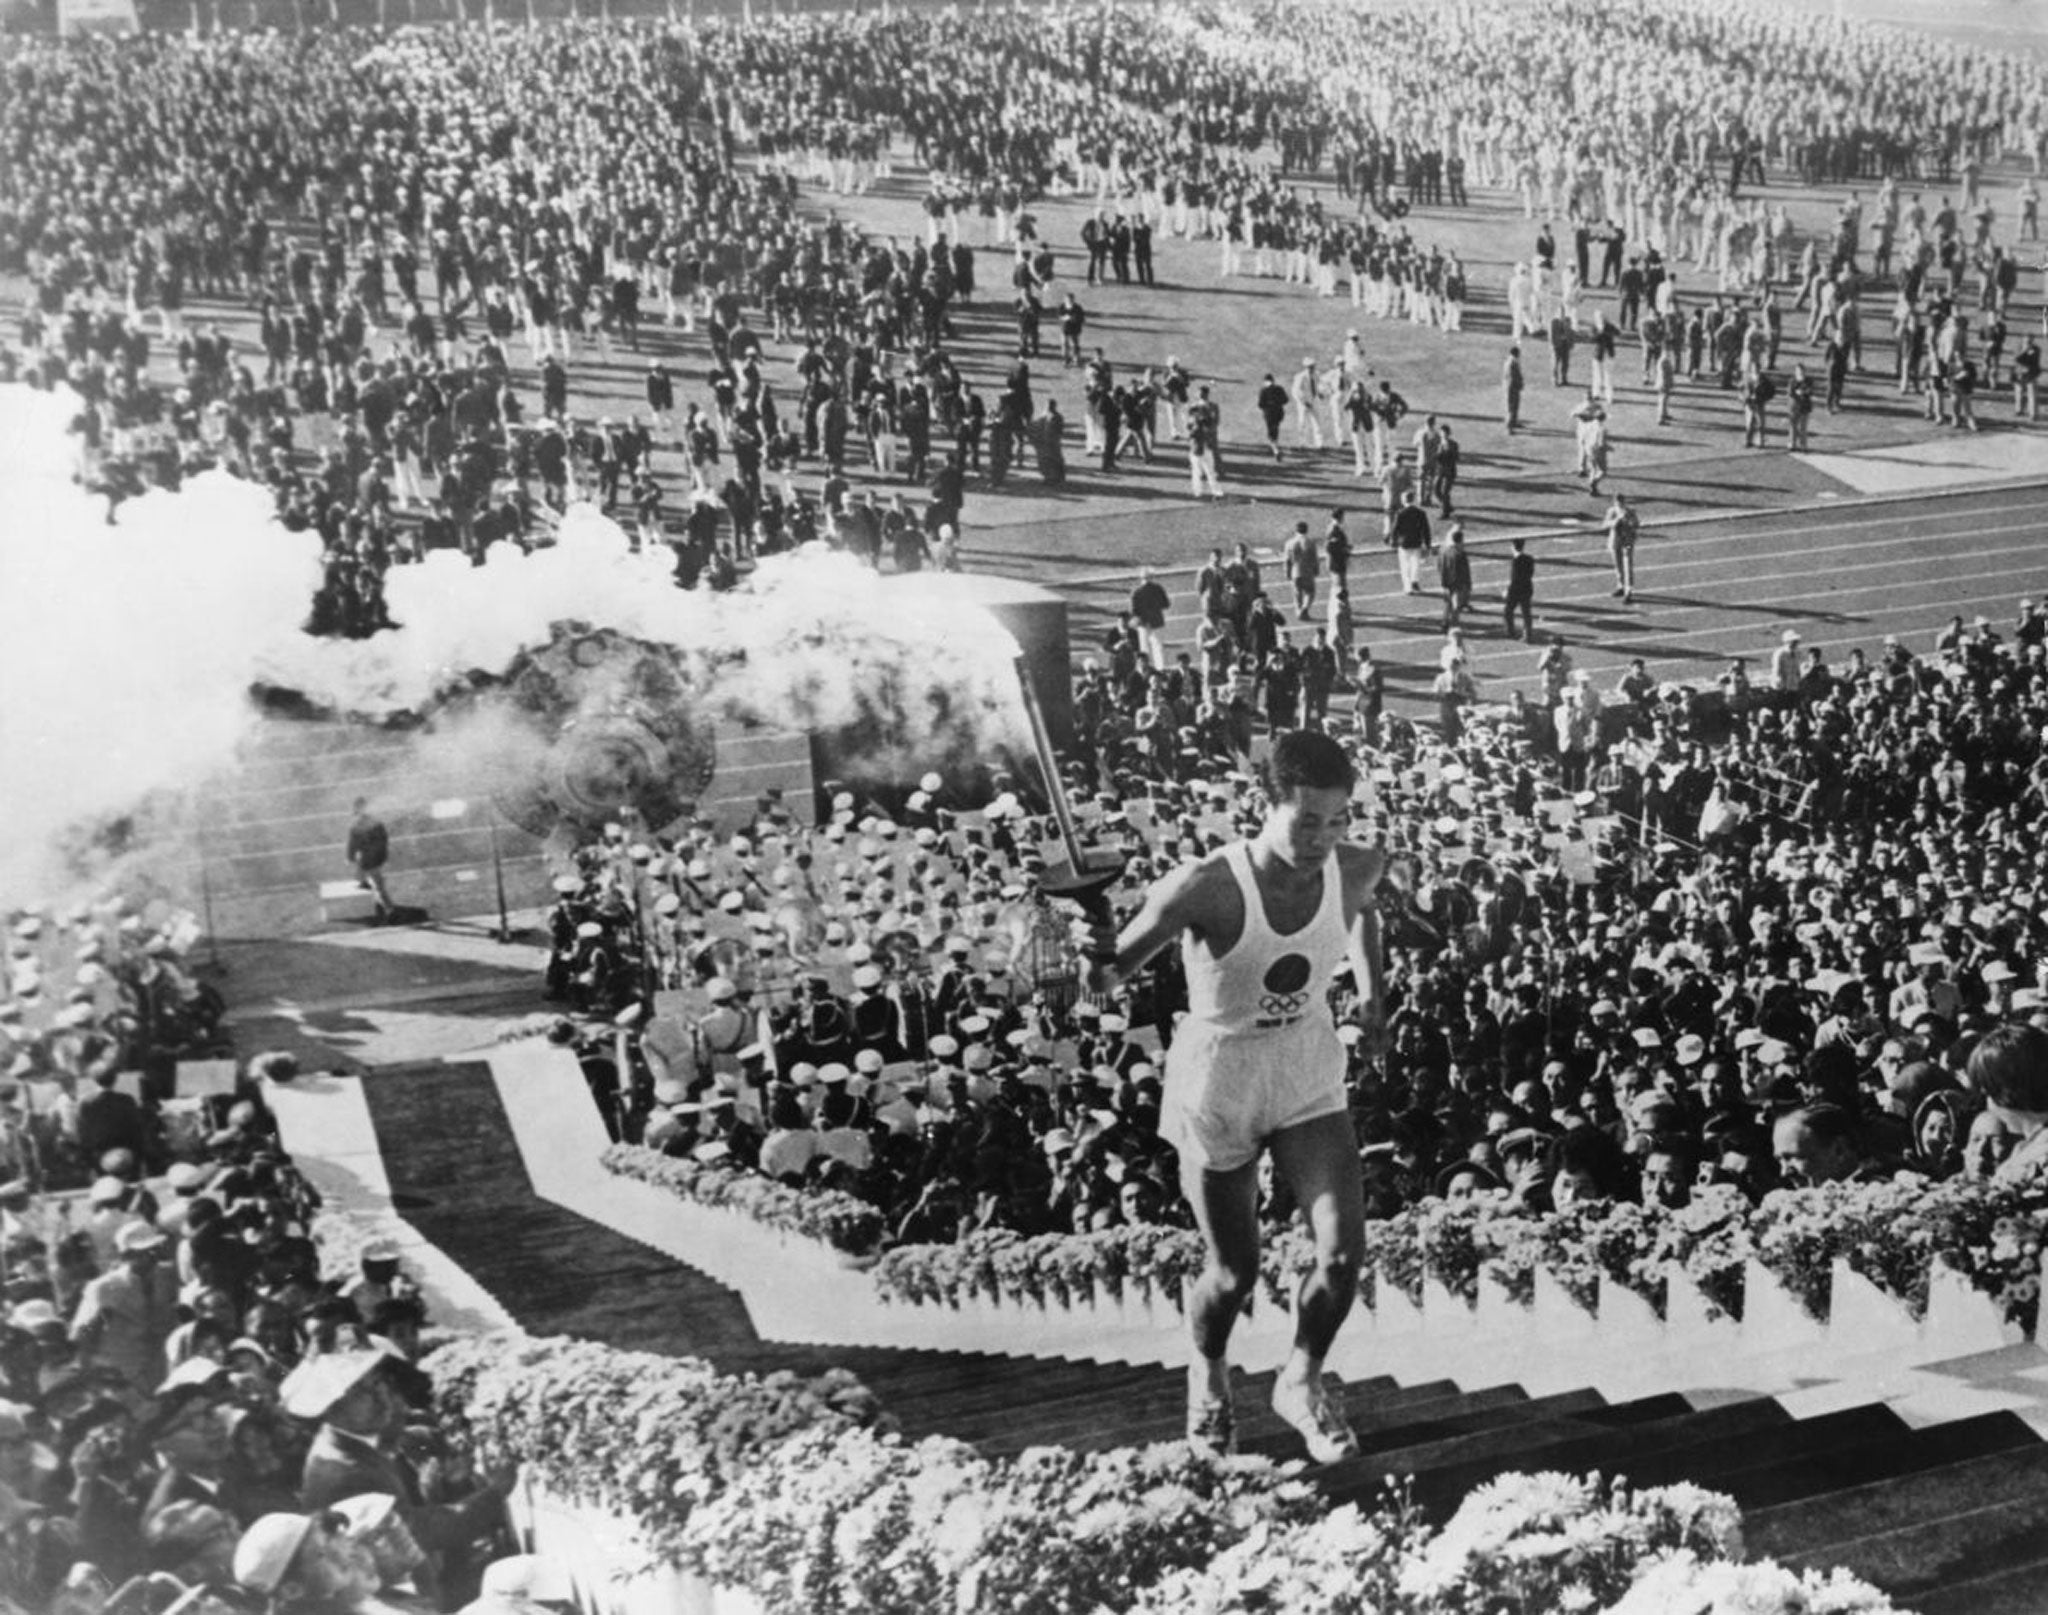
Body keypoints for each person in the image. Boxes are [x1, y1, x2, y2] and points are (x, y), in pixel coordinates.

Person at [1084, 730, 1385, 1464]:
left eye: (1337, 818)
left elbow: (1365, 910)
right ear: (1267, 804)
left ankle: (1301, 1379)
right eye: (1306, 820)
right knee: (1233, 1272)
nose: (1322, 837)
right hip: (1220, 1077)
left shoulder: (1358, 862)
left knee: (1343, 1254)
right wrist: (1086, 944)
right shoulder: (1205, 885)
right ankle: (1209, 1371)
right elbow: (1104, 982)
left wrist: (1373, 997)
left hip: (1306, 1067)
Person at [346, 800, 395, 922]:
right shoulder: (376, 822)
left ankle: (389, 908)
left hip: (369, 858)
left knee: (378, 884)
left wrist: (350, 857)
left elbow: (353, 845)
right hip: (377, 855)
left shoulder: (355, 826)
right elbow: (384, 838)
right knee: (362, 869)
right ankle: (363, 882)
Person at [1603, 493, 1638, 602]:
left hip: (1627, 540)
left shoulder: (1630, 511)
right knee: (1618, 565)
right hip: (1615, 541)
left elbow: (1636, 524)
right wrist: (1617, 520)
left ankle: (1629, 590)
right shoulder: (1611, 511)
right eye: (1618, 502)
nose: (1620, 504)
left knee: (1628, 565)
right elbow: (1605, 524)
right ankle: (1621, 586)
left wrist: (1629, 520)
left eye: (1621, 502)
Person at [1503, 537, 1536, 641]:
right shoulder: (1529, 559)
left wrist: (1508, 591)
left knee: (1508, 611)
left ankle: (1510, 632)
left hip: (1516, 591)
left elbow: (1514, 579)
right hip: (1527, 588)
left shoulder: (1515, 561)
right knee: (1526, 613)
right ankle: (1528, 635)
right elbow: (1530, 574)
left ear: (1513, 547)